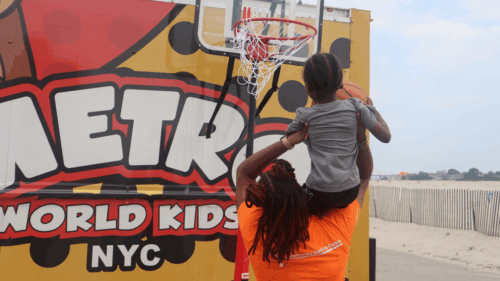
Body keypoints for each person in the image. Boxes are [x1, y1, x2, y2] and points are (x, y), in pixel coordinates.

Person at [236, 116, 373, 281]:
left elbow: (244, 173)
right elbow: (364, 178)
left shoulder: (255, 225)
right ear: (299, 192)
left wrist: (289, 141)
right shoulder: (335, 223)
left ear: (264, 200)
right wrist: (360, 137)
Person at [286, 53, 390, 209]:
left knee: (295, 199)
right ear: (341, 82)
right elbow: (385, 136)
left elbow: (289, 136)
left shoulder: (304, 114)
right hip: (350, 192)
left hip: (319, 194)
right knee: (362, 178)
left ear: (307, 87)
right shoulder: (356, 106)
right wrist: (372, 109)